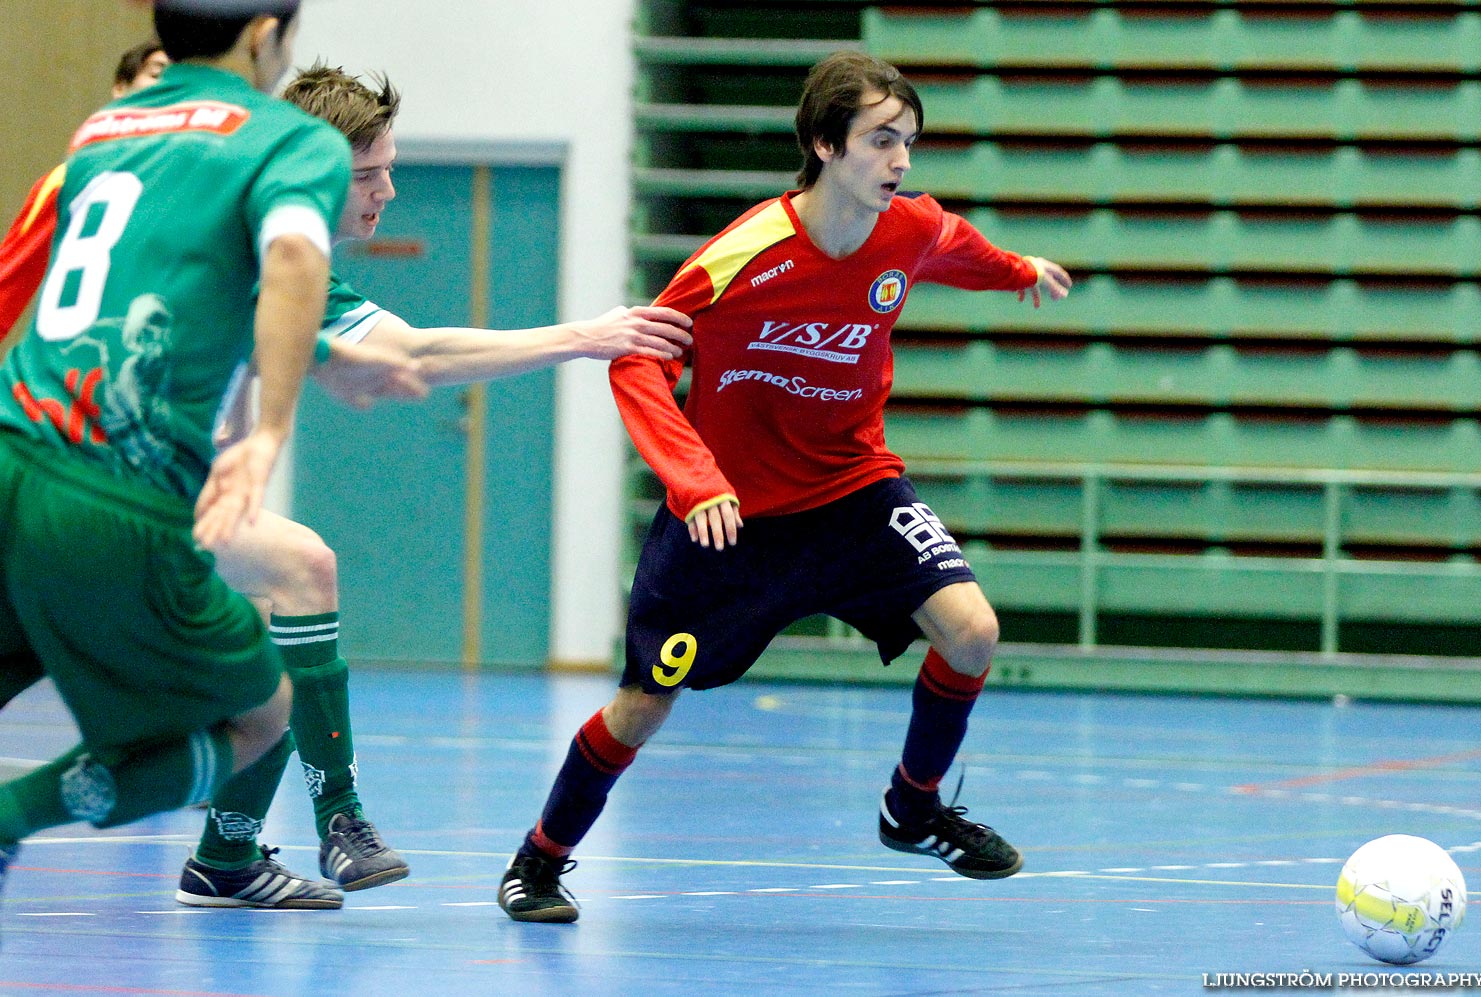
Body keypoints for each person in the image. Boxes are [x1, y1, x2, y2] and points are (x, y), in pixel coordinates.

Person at [497, 50, 1074, 923]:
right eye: (882, 141)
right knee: (644, 706)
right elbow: (636, 364)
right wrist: (696, 479)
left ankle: (911, 807)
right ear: (823, 144)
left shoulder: (908, 229)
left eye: (910, 142)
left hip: (853, 492)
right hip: (732, 519)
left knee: (971, 632)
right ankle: (539, 861)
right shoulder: (743, 255)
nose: (902, 161)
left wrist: (1021, 270)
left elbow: (961, 248)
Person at [187, 63, 695, 902]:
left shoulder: (295, 264)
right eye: (367, 174)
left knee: (276, 661)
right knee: (302, 570)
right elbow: (409, 358)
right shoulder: (242, 246)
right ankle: (339, 813)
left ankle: (226, 859)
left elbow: (411, 349)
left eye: (389, 166)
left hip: (172, 496)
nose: (388, 189)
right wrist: (583, 334)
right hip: (119, 485)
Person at [0, 0, 352, 915]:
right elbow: (292, 263)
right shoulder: (289, 140)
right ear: (265, 33)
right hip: (110, 489)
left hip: (10, 448)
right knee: (260, 712)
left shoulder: (108, 127)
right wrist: (269, 427)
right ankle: (12, 815)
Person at [0, 41, 170, 347]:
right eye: (157, 74)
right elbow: (7, 287)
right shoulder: (69, 182)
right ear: (120, 89)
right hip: (73, 372)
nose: (170, 87)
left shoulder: (201, 183)